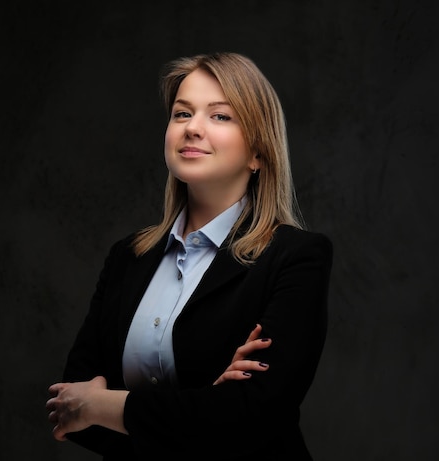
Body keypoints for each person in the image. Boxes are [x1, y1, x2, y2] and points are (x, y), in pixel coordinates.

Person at [46, 51, 333, 460]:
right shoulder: (128, 257)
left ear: (258, 152)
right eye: (182, 114)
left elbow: (252, 418)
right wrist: (201, 410)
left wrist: (102, 405)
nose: (193, 128)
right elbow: (68, 405)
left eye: (220, 116)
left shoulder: (295, 257)